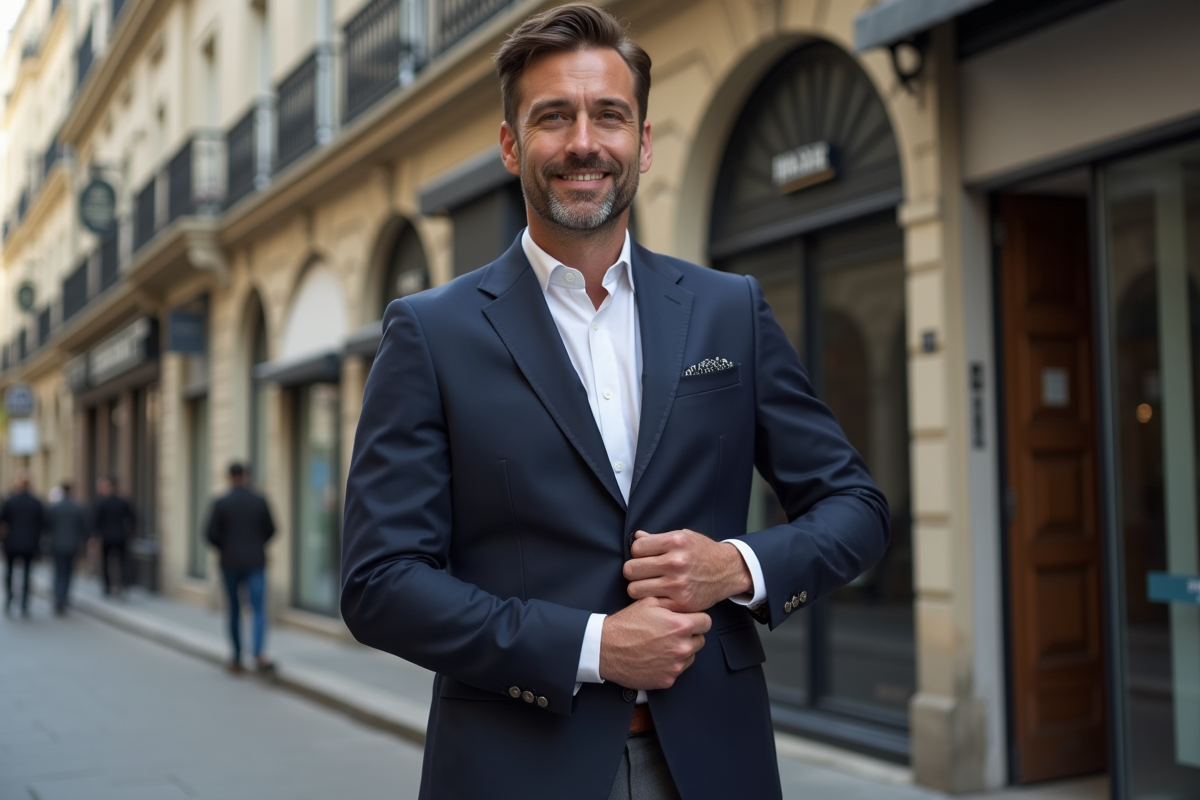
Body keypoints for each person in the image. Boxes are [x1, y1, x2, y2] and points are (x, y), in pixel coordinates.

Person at [340, 5, 890, 799]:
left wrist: (735, 566)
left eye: (609, 115)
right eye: (552, 117)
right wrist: (593, 647)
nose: (583, 142)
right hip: (514, 767)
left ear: (644, 141)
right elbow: (380, 583)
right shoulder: (431, 332)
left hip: (714, 763)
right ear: (510, 146)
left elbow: (857, 508)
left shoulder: (728, 309)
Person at [206, 462, 277, 674]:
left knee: (234, 610)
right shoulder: (259, 500)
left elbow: (210, 534)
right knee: (258, 609)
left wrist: (226, 547)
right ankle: (259, 654)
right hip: (255, 562)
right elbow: (272, 529)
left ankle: (236, 658)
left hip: (230, 563)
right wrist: (256, 544)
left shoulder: (221, 502)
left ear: (229, 478)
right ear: (246, 476)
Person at [1, 474, 46, 618]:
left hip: (11, 543)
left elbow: (2, 520)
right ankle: (25, 604)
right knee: (27, 574)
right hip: (30, 543)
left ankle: (9, 600)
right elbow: (42, 524)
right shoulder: (36, 502)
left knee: (10, 572)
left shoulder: (10, 500)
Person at [45, 481, 89, 615]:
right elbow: (85, 529)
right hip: (72, 545)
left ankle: (58, 598)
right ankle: (64, 598)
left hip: (57, 545)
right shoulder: (78, 508)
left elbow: (46, 527)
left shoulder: (54, 508)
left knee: (58, 572)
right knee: (68, 573)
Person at [92, 476, 134, 597]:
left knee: (108, 562)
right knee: (121, 561)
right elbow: (133, 518)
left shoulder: (101, 502)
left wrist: (95, 536)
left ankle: (109, 586)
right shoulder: (123, 501)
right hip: (120, 536)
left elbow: (95, 521)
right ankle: (122, 585)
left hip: (108, 537)